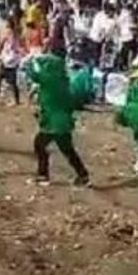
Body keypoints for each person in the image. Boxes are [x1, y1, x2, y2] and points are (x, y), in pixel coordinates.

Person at [28, 54, 90, 186]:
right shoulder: (63, 81)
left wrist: (29, 62)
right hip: (63, 121)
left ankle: (43, 175)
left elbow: (33, 74)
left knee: (40, 145)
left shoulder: (49, 79)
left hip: (53, 123)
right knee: (67, 150)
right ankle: (83, 175)